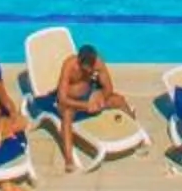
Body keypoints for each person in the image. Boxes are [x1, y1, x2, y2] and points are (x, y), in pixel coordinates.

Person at [53, 41, 127, 172]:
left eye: (91, 68)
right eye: (85, 68)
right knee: (67, 115)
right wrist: (86, 105)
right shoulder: (69, 65)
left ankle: (134, 131)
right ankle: (69, 159)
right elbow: (62, 98)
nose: (89, 71)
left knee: (119, 100)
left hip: (89, 95)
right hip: (72, 102)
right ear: (79, 61)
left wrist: (99, 96)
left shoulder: (98, 63)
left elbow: (109, 88)